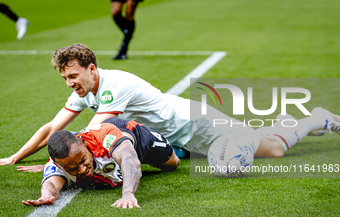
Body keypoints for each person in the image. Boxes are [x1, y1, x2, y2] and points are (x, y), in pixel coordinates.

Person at [1, 43, 340, 170]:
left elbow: (94, 133)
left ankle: (317, 118)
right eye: (65, 79)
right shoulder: (85, 89)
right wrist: (17, 156)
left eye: (74, 76)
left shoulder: (113, 85)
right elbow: (53, 128)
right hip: (179, 137)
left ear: (92, 68)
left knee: (274, 152)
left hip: (196, 124)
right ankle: (279, 123)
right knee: (249, 143)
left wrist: (58, 164)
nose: (70, 84)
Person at [22, 117, 180, 208]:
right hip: (112, 151)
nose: (82, 170)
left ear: (83, 142)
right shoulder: (59, 163)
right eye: (73, 169)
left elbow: (129, 159)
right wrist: (46, 196)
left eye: (83, 161)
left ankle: (180, 146)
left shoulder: (104, 136)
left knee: (173, 164)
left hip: (134, 136)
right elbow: (51, 184)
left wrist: (128, 195)